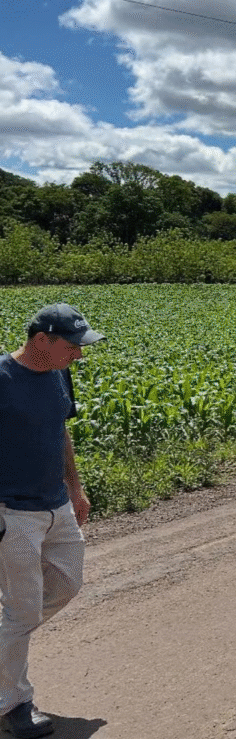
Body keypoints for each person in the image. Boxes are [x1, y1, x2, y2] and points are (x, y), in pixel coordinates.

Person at [1, 304, 104, 739]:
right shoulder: (2, 379)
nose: (78, 356)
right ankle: (12, 705)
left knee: (66, 583)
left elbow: (60, 430)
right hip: (12, 511)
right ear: (41, 340)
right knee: (22, 611)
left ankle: (7, 633)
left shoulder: (60, 374)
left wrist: (75, 488)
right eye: (72, 346)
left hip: (56, 504)